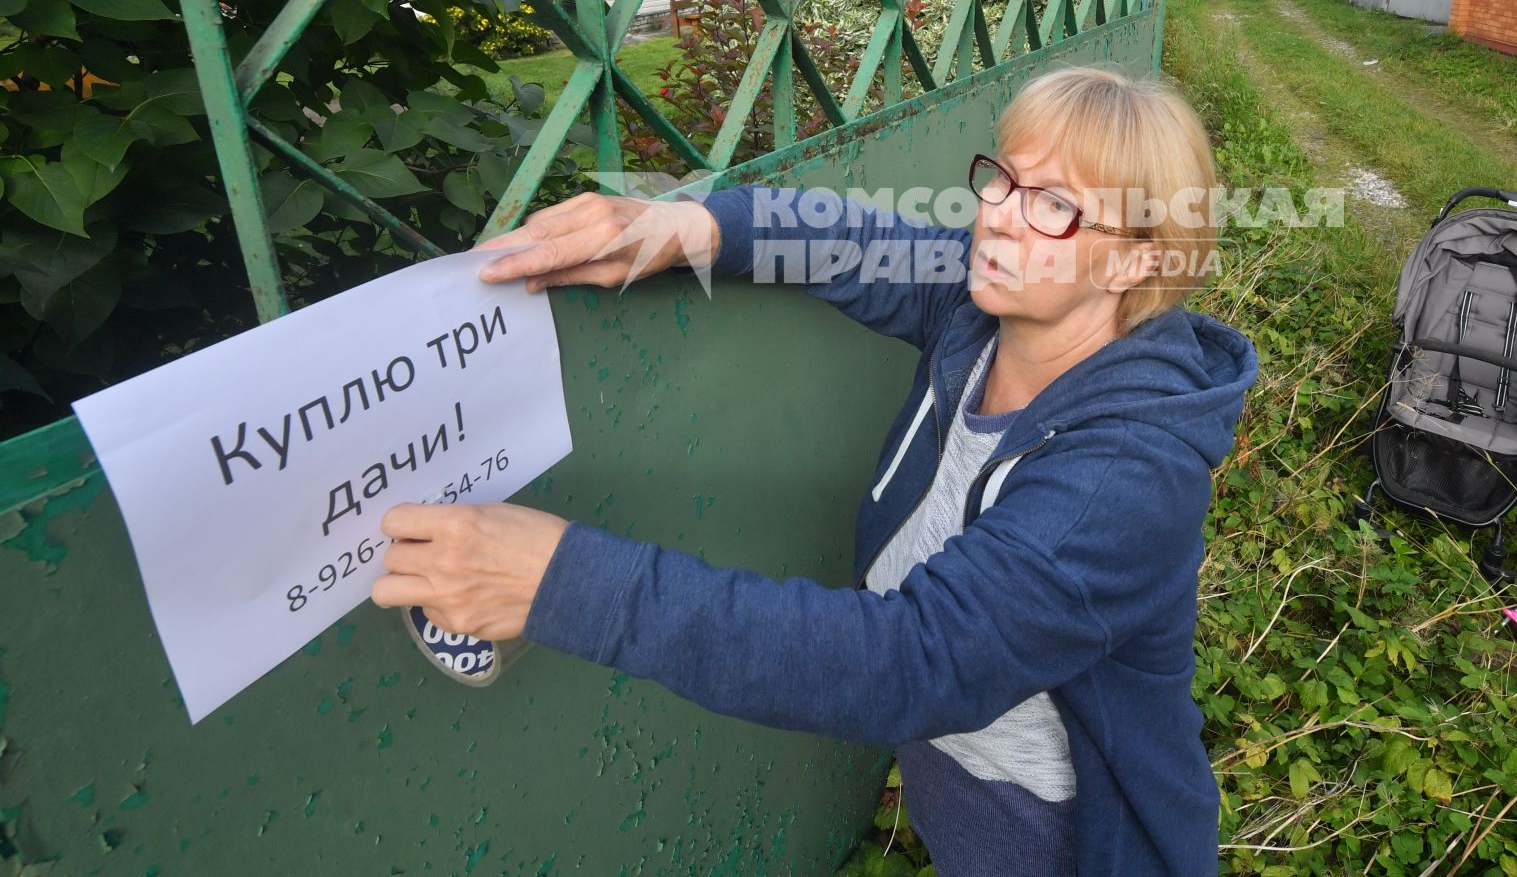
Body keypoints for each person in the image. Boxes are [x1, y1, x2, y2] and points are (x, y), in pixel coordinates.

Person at [370, 66, 1258, 877]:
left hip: (1059, 831)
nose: (999, 215)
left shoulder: (1124, 474)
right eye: (1006, 179)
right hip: (956, 770)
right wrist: (692, 223)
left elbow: (911, 662)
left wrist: (563, 583)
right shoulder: (990, 307)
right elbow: (851, 240)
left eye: (1054, 205)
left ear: (1140, 257)